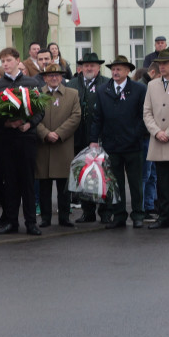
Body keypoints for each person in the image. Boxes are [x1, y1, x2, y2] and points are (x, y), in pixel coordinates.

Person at [0, 47, 44, 236]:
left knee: (27, 181)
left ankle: (31, 222)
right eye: (2, 61)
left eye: (8, 60)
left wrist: (28, 124)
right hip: (6, 138)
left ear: (17, 60)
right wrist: (6, 122)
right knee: (10, 182)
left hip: (26, 138)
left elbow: (40, 110)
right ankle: (12, 221)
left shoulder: (31, 82)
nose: (5, 64)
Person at [91, 56, 148, 229]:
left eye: (119, 69)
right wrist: (94, 140)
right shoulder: (103, 90)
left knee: (136, 182)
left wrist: (136, 134)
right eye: (113, 69)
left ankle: (138, 214)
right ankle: (119, 215)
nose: (115, 72)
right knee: (115, 184)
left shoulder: (139, 89)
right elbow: (97, 118)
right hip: (111, 144)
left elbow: (144, 116)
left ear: (128, 71)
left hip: (133, 144)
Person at [142, 48, 169, 230]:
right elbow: (146, 112)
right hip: (159, 141)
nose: (162, 66)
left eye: (165, 63)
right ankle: (164, 217)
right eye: (160, 63)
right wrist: (156, 132)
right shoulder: (152, 85)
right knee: (163, 183)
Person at [34, 64, 82, 229]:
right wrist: (45, 133)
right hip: (44, 145)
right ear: (45, 78)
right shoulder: (37, 94)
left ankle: (64, 217)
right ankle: (45, 218)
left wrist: (59, 133)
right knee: (44, 186)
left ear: (61, 77)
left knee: (64, 185)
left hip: (63, 145)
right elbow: (32, 116)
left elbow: (76, 117)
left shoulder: (72, 94)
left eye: (57, 75)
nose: (54, 78)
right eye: (50, 75)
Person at [67, 52, 109, 223]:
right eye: (86, 65)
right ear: (81, 68)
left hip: (100, 137)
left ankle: (105, 212)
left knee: (102, 176)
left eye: (92, 65)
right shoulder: (72, 84)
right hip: (77, 138)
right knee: (83, 176)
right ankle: (87, 211)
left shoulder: (106, 84)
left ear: (98, 67)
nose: (89, 68)